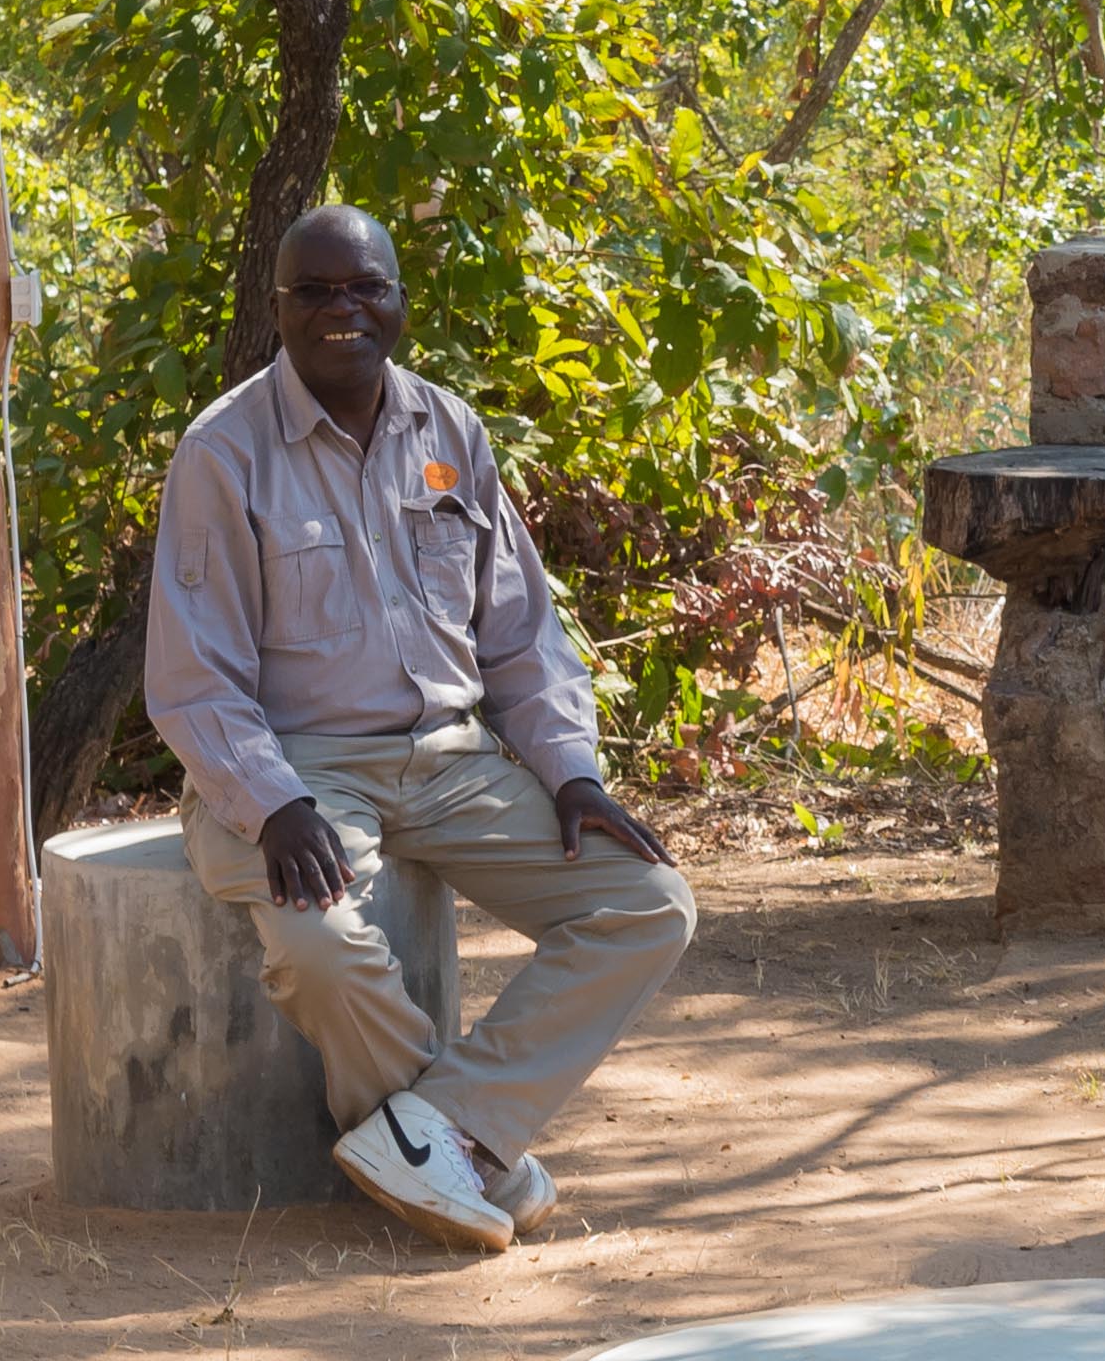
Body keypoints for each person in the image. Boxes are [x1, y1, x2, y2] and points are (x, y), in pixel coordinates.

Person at [140, 204, 698, 1254]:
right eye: (316, 291)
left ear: (399, 301)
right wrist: (274, 804)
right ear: (278, 310)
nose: (344, 309)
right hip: (297, 765)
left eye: (367, 288)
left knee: (647, 902)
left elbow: (521, 633)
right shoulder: (222, 452)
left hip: (451, 757)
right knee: (316, 947)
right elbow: (191, 675)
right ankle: (471, 1143)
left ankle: (450, 1130)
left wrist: (570, 770)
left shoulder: (450, 431)